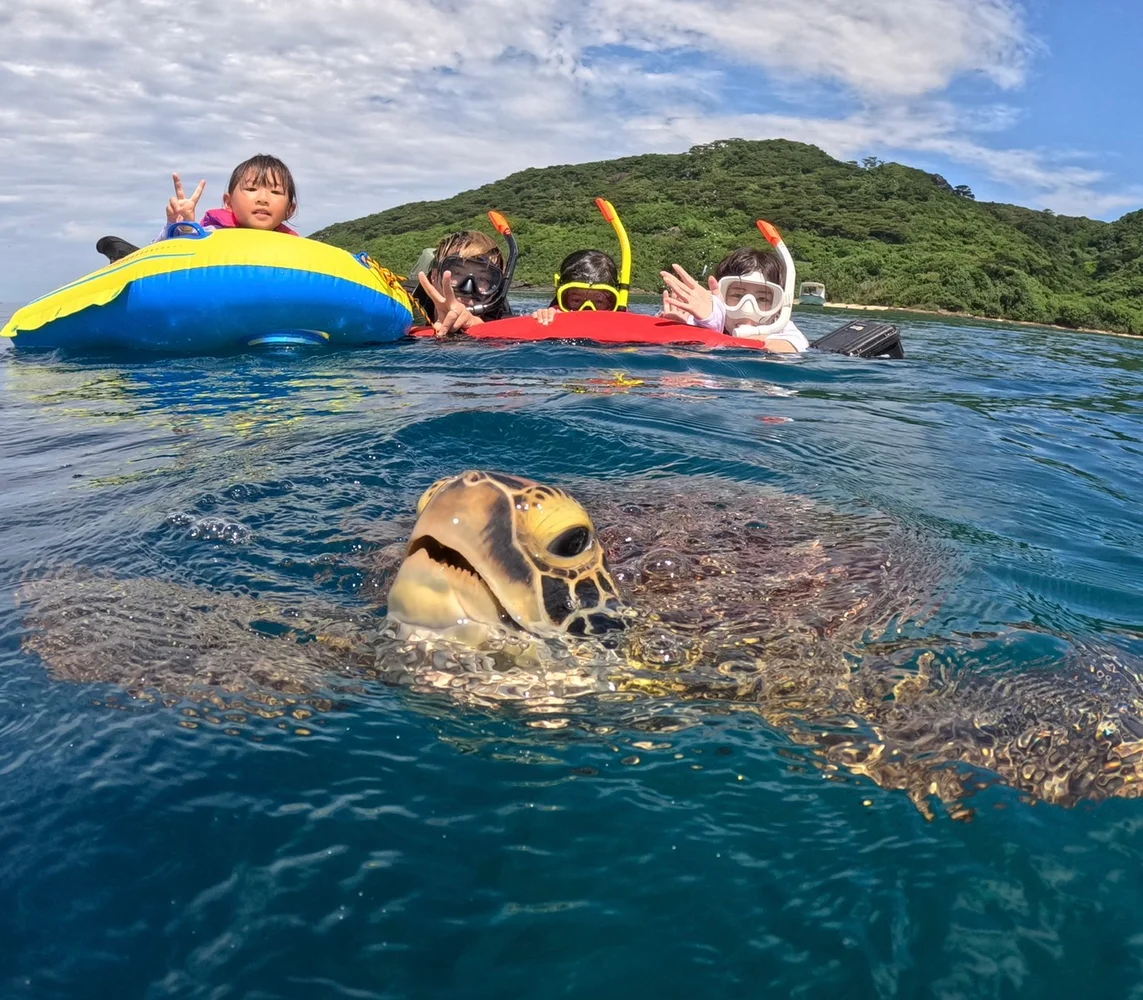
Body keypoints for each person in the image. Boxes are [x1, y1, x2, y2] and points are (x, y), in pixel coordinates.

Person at [661, 247, 809, 353]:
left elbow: (790, 348)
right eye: (737, 295)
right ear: (720, 295)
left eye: (763, 298)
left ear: (778, 305)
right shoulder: (701, 317)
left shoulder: (781, 326)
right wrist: (680, 331)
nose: (747, 309)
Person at [161, 154, 300, 238]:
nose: (263, 199)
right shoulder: (210, 235)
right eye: (251, 189)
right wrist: (183, 227)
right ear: (229, 203)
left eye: (275, 192)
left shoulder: (296, 248)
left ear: (289, 210)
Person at [413, 229, 513, 337]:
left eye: (483, 279)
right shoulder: (408, 308)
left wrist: (475, 324)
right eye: (457, 273)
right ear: (434, 276)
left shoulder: (503, 319)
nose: (467, 289)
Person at [533, 249, 621, 325]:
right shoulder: (555, 314)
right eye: (576, 301)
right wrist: (544, 316)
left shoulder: (622, 316)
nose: (586, 311)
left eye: (599, 302)